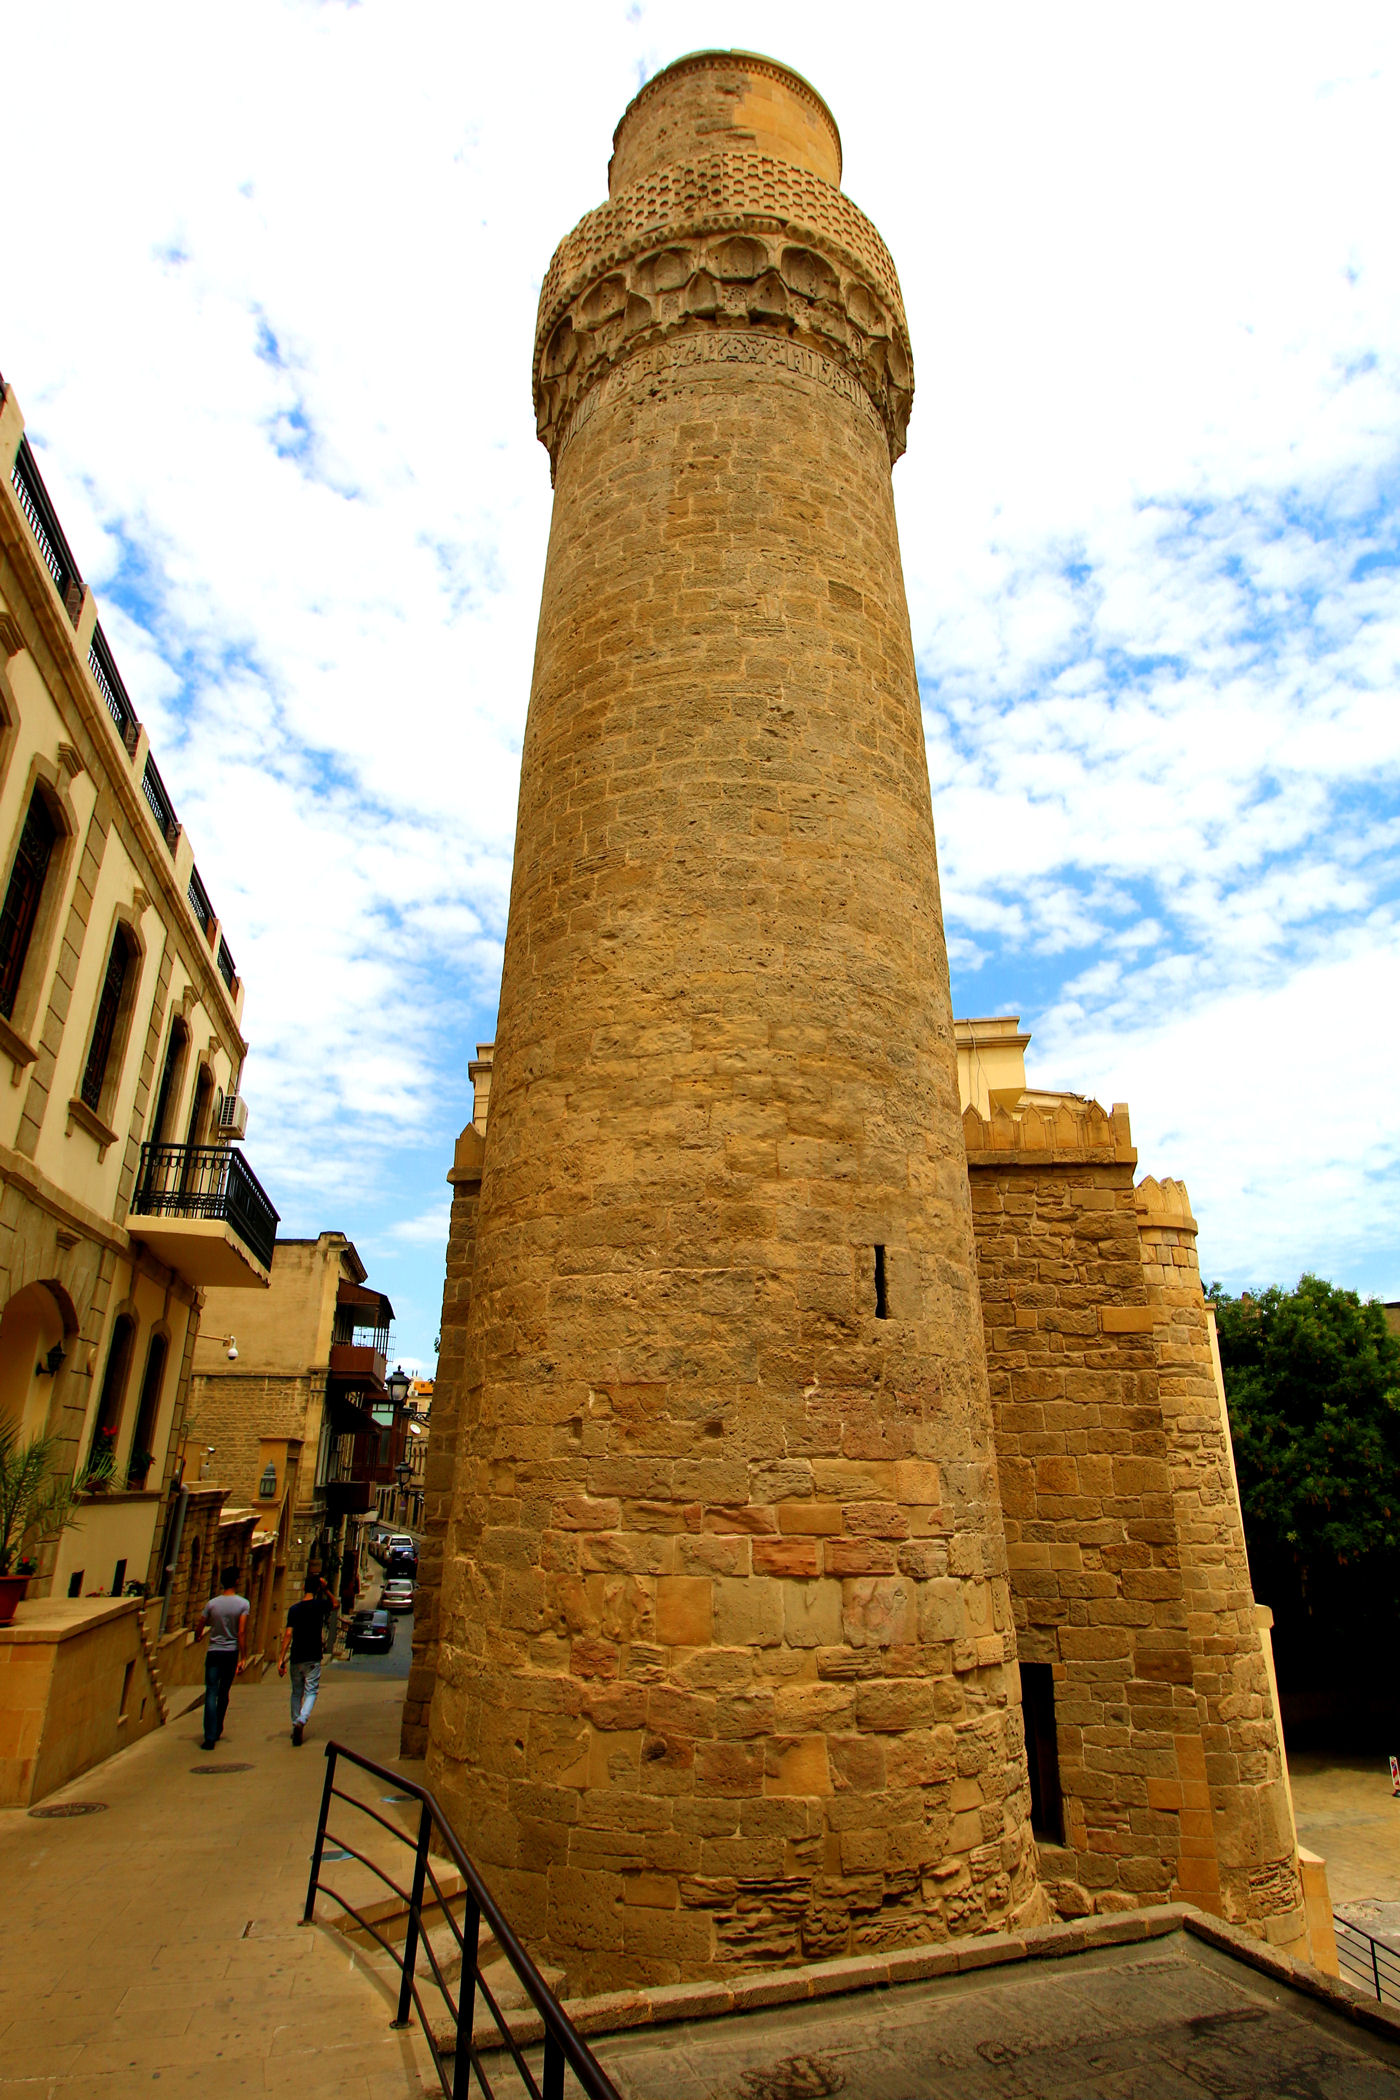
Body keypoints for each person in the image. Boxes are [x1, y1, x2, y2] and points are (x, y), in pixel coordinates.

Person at [195, 1565, 248, 1751]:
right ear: (236, 1581)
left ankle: (209, 1736)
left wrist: (198, 1636)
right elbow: (241, 1632)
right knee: (223, 1692)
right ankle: (217, 1727)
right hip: (230, 1653)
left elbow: (201, 1623)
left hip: (214, 1651)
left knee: (211, 1691)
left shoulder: (212, 1604)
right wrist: (243, 1656)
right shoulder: (243, 1604)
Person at [278, 1578, 325, 1745]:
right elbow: (335, 1604)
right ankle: (302, 1720)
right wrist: (326, 1589)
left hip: (296, 1656)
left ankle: (295, 1723)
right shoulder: (319, 1606)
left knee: (296, 1692)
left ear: (304, 1587)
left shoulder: (294, 1609)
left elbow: (288, 1634)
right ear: (318, 1588)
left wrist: (281, 1658)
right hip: (313, 1656)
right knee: (311, 1691)